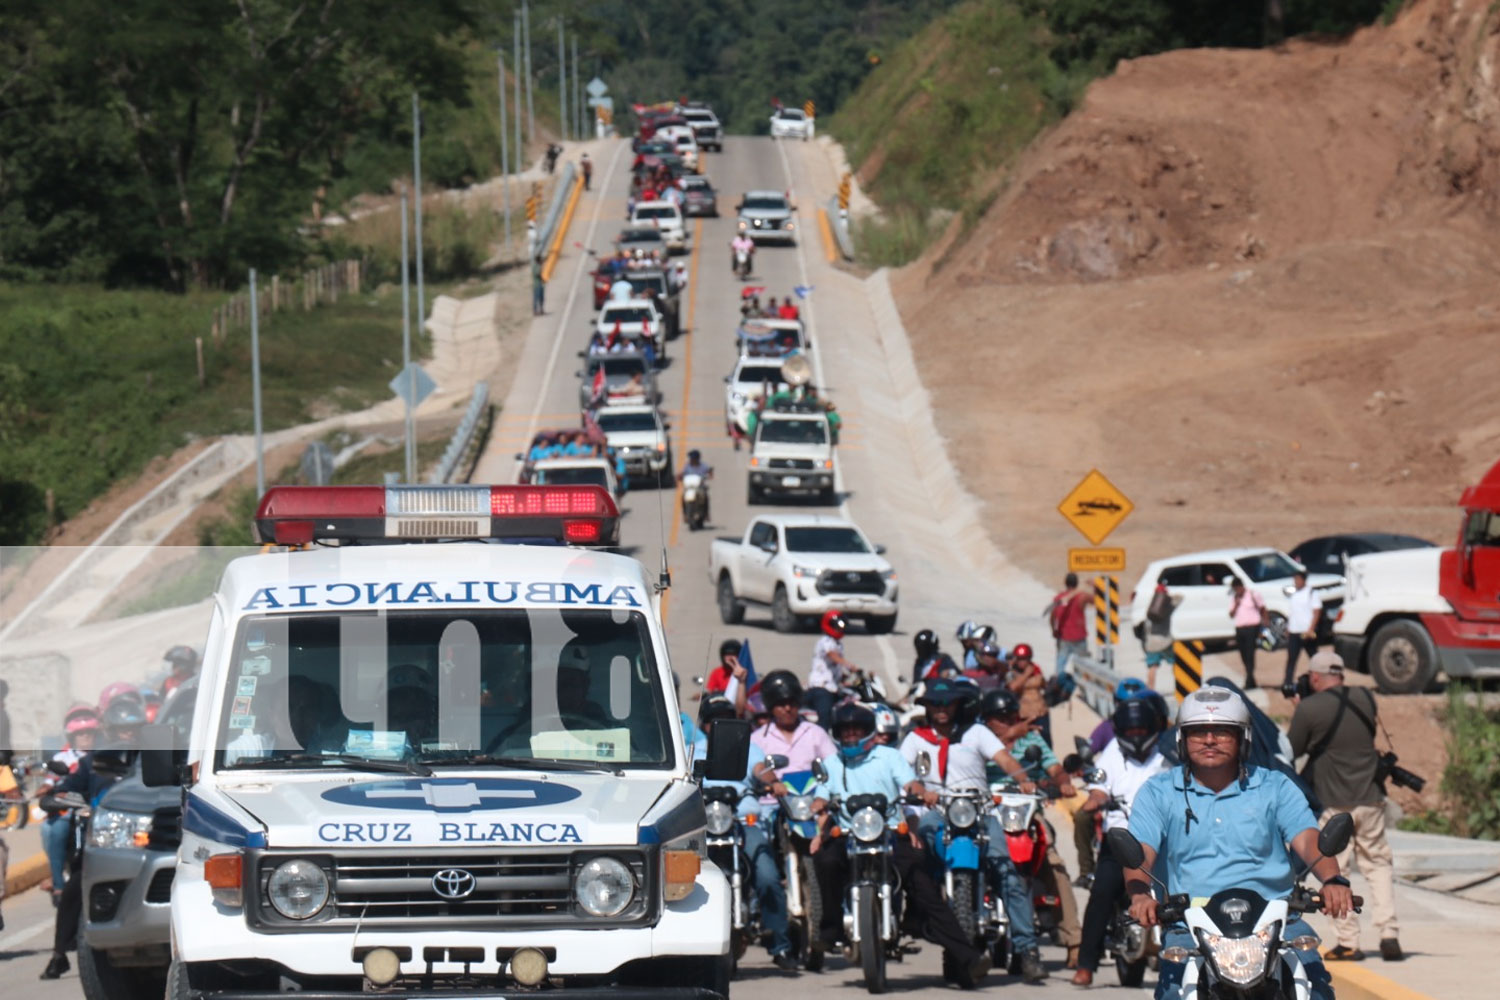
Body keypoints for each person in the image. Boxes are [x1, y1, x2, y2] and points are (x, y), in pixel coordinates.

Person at [1123, 688, 1353, 1000]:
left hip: (1277, 921)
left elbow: (1309, 840)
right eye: (1198, 732)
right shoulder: (1158, 792)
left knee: (1314, 989)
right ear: (1181, 739)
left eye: (1221, 731)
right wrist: (1139, 896)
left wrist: (1333, 879)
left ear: (1243, 738)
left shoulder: (1274, 786)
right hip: (1191, 923)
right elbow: (1140, 852)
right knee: (1175, 993)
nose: (1209, 740)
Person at [811, 703, 992, 988]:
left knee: (922, 880)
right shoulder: (833, 764)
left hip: (890, 831)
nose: (850, 737)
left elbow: (910, 784)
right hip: (849, 831)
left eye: (856, 731)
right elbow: (821, 794)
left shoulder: (889, 756)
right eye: (845, 732)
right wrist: (818, 806)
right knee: (826, 860)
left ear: (869, 732)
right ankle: (831, 928)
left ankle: (966, 955)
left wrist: (922, 793)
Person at [1288, 651, 1402, 961]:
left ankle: (1349, 941)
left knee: (1336, 870)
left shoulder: (1310, 708)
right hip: (1371, 795)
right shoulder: (1365, 697)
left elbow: (1293, 749)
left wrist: (1300, 710)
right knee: (1378, 863)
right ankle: (1389, 933)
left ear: (1314, 678)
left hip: (1333, 800)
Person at [963, 687, 1083, 966]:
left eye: (1012, 715)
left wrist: (1062, 782)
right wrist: (1009, 735)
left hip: (1025, 812)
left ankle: (1074, 941)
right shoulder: (977, 739)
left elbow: (1054, 768)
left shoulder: (1032, 739)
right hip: (987, 812)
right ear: (987, 719)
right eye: (1002, 717)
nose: (1010, 721)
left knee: (1054, 864)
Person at [40, 699, 146, 979]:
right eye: (122, 730)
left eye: (133, 729)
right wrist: (58, 798)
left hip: (149, 840)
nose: (128, 735)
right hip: (102, 843)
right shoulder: (92, 763)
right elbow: (63, 790)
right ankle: (59, 954)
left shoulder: (153, 759)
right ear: (110, 731)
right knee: (75, 887)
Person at [1071, 696, 1173, 986]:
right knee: (1102, 891)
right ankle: (1086, 964)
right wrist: (1095, 800)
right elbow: (1100, 788)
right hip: (1121, 841)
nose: (1136, 735)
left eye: (1142, 729)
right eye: (1130, 730)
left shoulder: (1167, 753)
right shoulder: (1112, 753)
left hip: (1164, 841)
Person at [697, 695, 798, 970]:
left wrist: (774, 783)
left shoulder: (749, 748)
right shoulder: (692, 750)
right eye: (715, 719)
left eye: (728, 717)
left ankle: (780, 945)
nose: (721, 723)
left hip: (744, 823)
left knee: (767, 876)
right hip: (705, 827)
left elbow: (760, 770)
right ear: (705, 725)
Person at [41, 705, 101, 905]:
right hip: (69, 808)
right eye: (81, 734)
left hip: (98, 808)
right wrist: (48, 794)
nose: (86, 737)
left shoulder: (104, 756)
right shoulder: (62, 759)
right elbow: (54, 785)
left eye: (89, 733)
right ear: (72, 736)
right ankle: (58, 884)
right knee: (52, 829)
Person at [751, 671, 836, 793]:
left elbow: (833, 766)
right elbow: (754, 770)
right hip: (773, 803)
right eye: (781, 704)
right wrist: (773, 784)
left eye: (792, 703)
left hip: (812, 801)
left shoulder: (815, 732)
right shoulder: (757, 739)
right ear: (771, 707)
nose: (788, 709)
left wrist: (822, 796)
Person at [806, 611, 853, 729]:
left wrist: (844, 677)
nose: (840, 630)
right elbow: (832, 656)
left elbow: (834, 667)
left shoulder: (838, 644)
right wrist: (851, 666)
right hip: (821, 688)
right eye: (837, 627)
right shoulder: (825, 641)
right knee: (825, 718)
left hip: (833, 687)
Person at [1284, 570, 1323, 688]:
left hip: (1307, 631)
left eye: (1298, 579)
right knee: (1291, 658)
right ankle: (1288, 682)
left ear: (1303, 580)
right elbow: (1292, 613)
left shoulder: (1311, 593)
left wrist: (1311, 628)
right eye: (1294, 579)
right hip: (1294, 631)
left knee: (1314, 657)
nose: (1296, 582)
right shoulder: (1294, 594)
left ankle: (1321, 678)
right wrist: (1288, 628)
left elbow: (1317, 612)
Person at [1005, 643, 1050, 747]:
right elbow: (1013, 687)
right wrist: (1026, 674)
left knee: (1046, 740)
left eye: (1024, 659)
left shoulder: (1036, 669)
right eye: (1019, 659)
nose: (1021, 662)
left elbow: (1043, 685)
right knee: (1026, 743)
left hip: (1040, 711)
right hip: (1023, 714)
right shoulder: (1011, 673)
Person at [1227, 577, 1268, 687]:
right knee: (1243, 654)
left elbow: (1262, 608)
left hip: (1252, 627)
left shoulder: (1252, 595)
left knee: (1250, 653)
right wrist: (1236, 604)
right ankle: (1251, 677)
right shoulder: (1234, 598)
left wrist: (1265, 623)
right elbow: (1231, 615)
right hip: (1240, 629)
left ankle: (1249, 679)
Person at [1047, 573, 1089, 682]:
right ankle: (1080, 685)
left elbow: (1052, 617)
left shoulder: (1059, 598)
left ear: (1065, 583)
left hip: (1064, 638)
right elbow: (1097, 599)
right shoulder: (1081, 597)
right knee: (1082, 666)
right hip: (1079, 638)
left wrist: (1054, 631)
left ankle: (1059, 684)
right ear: (1076, 583)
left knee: (1060, 666)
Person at [1141, 577, 1180, 690]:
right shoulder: (1168, 606)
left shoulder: (1151, 606)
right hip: (1165, 641)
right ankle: (1180, 685)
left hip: (1152, 643)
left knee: (1152, 667)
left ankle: (1150, 689)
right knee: (1176, 663)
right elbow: (1180, 598)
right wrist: (1169, 596)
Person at [678, 449, 714, 522]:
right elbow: (682, 473)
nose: (691, 459)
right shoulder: (687, 466)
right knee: (682, 497)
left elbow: (709, 471)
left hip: (699, 487)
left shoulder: (703, 466)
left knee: (706, 497)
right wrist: (680, 476)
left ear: (697, 458)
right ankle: (685, 514)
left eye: (693, 458)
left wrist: (709, 475)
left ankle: (706, 514)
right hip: (689, 487)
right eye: (691, 458)